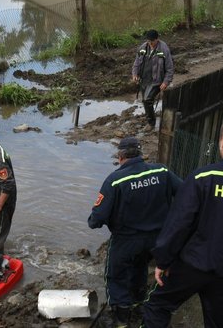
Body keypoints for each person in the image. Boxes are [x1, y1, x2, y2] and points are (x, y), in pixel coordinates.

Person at [142, 115, 223, 328]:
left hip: (192, 264)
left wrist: (163, 260)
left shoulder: (202, 177)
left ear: (222, 140)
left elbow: (179, 223)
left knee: (157, 306)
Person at [88, 137, 182, 327]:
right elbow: (185, 192)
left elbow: (96, 220)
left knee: (116, 277)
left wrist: (98, 220)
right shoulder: (161, 171)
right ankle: (139, 305)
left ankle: (122, 320)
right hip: (157, 240)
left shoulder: (115, 180)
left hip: (126, 241)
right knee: (139, 268)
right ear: (141, 154)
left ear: (120, 156)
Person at [131, 29, 174, 131]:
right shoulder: (142, 48)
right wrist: (135, 74)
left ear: (157, 39)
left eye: (152, 41)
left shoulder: (163, 49)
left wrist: (165, 82)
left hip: (156, 81)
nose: (150, 44)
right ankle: (149, 117)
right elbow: (136, 63)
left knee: (147, 100)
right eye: (148, 41)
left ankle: (151, 123)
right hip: (144, 79)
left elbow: (170, 68)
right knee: (145, 100)